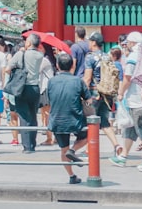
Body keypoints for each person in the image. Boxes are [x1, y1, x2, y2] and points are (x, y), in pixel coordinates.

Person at [47, 52, 90, 185]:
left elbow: (49, 98)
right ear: (72, 66)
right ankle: (73, 150)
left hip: (57, 119)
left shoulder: (51, 81)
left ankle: (71, 175)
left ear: (58, 66)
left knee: (63, 149)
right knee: (89, 135)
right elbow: (88, 99)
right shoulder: (78, 81)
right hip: (74, 118)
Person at [81, 32, 122, 159]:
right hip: (106, 94)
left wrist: (83, 93)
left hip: (94, 93)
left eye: (90, 41)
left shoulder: (90, 58)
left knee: (91, 121)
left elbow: (87, 78)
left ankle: (89, 150)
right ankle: (116, 145)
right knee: (104, 122)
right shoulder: (107, 57)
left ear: (93, 42)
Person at [115, 31, 142, 169]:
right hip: (141, 99)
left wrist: (120, 92)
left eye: (128, 43)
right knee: (130, 128)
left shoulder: (133, 57)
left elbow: (127, 78)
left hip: (136, 100)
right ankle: (123, 156)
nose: (127, 45)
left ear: (132, 43)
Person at [6, 32, 44, 153]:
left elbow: (8, 69)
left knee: (23, 116)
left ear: (29, 43)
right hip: (35, 88)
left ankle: (27, 146)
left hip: (22, 88)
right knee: (33, 116)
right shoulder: (40, 55)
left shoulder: (20, 54)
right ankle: (32, 144)